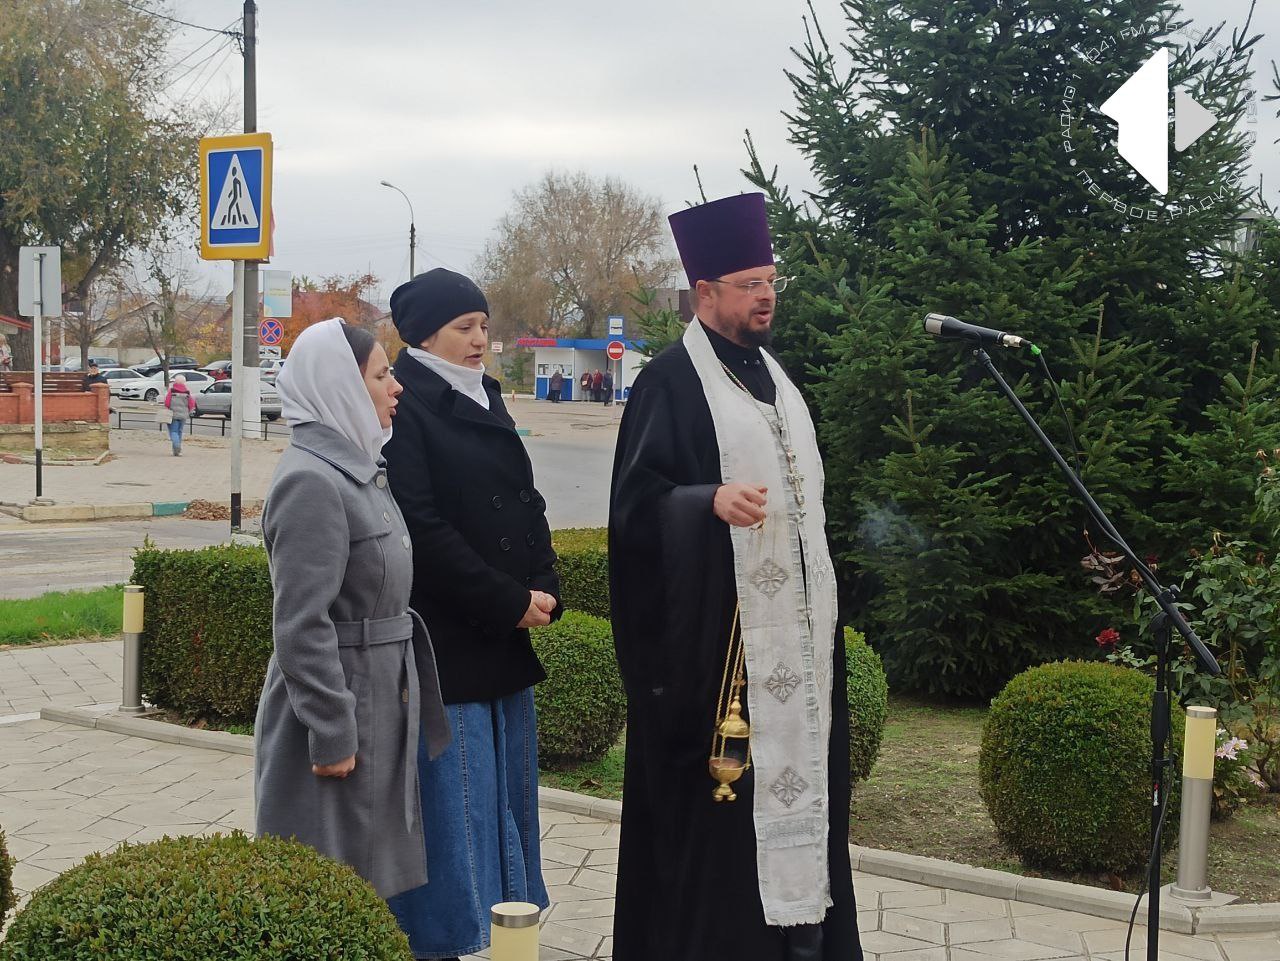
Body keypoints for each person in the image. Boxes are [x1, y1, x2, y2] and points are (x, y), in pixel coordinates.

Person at [608, 193, 862, 961]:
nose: (766, 296)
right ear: (706, 292)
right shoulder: (670, 384)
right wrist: (705, 502)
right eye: (749, 283)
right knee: (717, 835)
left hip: (800, 657)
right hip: (716, 669)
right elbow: (634, 514)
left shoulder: (777, 381)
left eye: (771, 281)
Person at [382, 268, 561, 961]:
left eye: (484, 324)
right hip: (451, 644)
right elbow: (423, 528)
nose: (481, 338)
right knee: (458, 809)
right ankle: (446, 942)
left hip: (506, 644)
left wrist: (543, 579)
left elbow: (525, 496)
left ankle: (507, 934)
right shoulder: (409, 402)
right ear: (426, 333)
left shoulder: (482, 392)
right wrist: (506, 600)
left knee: (508, 805)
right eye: (466, 326)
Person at [254, 317, 450, 907]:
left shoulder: (359, 470)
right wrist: (333, 732)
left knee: (368, 873)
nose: (397, 388)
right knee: (332, 875)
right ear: (339, 383)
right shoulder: (312, 482)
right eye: (381, 374)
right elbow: (300, 624)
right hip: (341, 702)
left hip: (378, 691)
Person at [162, 373, 195, 456]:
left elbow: (167, 403)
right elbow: (191, 403)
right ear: (184, 382)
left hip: (173, 414)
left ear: (175, 382)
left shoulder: (172, 391)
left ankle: (176, 447)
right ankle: (177, 451)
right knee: (179, 432)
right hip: (183, 415)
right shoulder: (187, 392)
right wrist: (189, 410)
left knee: (173, 431)